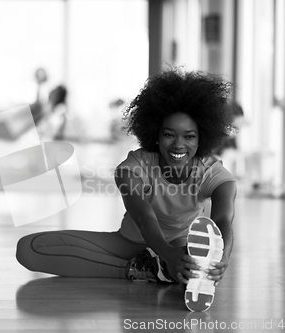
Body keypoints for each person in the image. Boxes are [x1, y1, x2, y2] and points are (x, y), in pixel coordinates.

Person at [16, 67, 237, 312]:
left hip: (180, 248)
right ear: (155, 133)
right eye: (169, 134)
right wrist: (164, 255)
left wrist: (222, 257)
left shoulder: (212, 173)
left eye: (189, 136)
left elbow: (223, 220)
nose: (178, 144)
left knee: (189, 256)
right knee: (29, 249)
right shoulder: (132, 168)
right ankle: (150, 270)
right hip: (130, 243)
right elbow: (143, 215)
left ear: (202, 137)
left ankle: (165, 268)